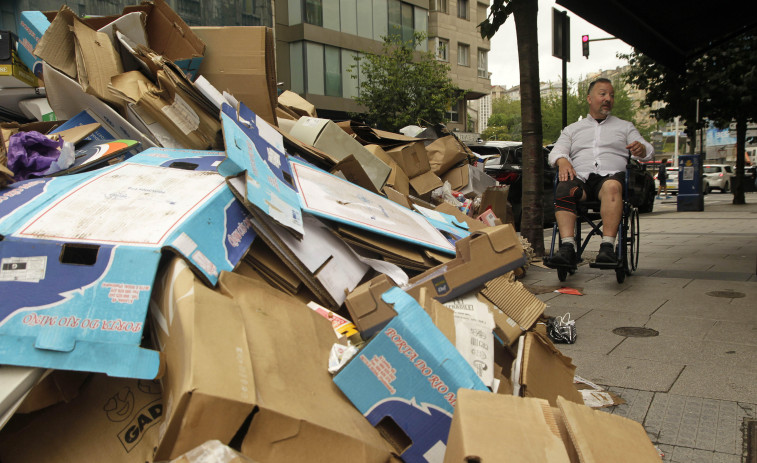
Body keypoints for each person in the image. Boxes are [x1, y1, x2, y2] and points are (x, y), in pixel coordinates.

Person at [548, 77, 654, 266]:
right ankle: (567, 247)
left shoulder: (625, 126)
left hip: (610, 178)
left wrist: (642, 149)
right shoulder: (573, 129)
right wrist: (562, 160)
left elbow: (647, 149)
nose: (608, 99)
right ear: (589, 98)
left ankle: (607, 247)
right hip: (581, 179)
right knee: (564, 188)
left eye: (611, 95)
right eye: (603, 94)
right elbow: (556, 151)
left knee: (612, 187)